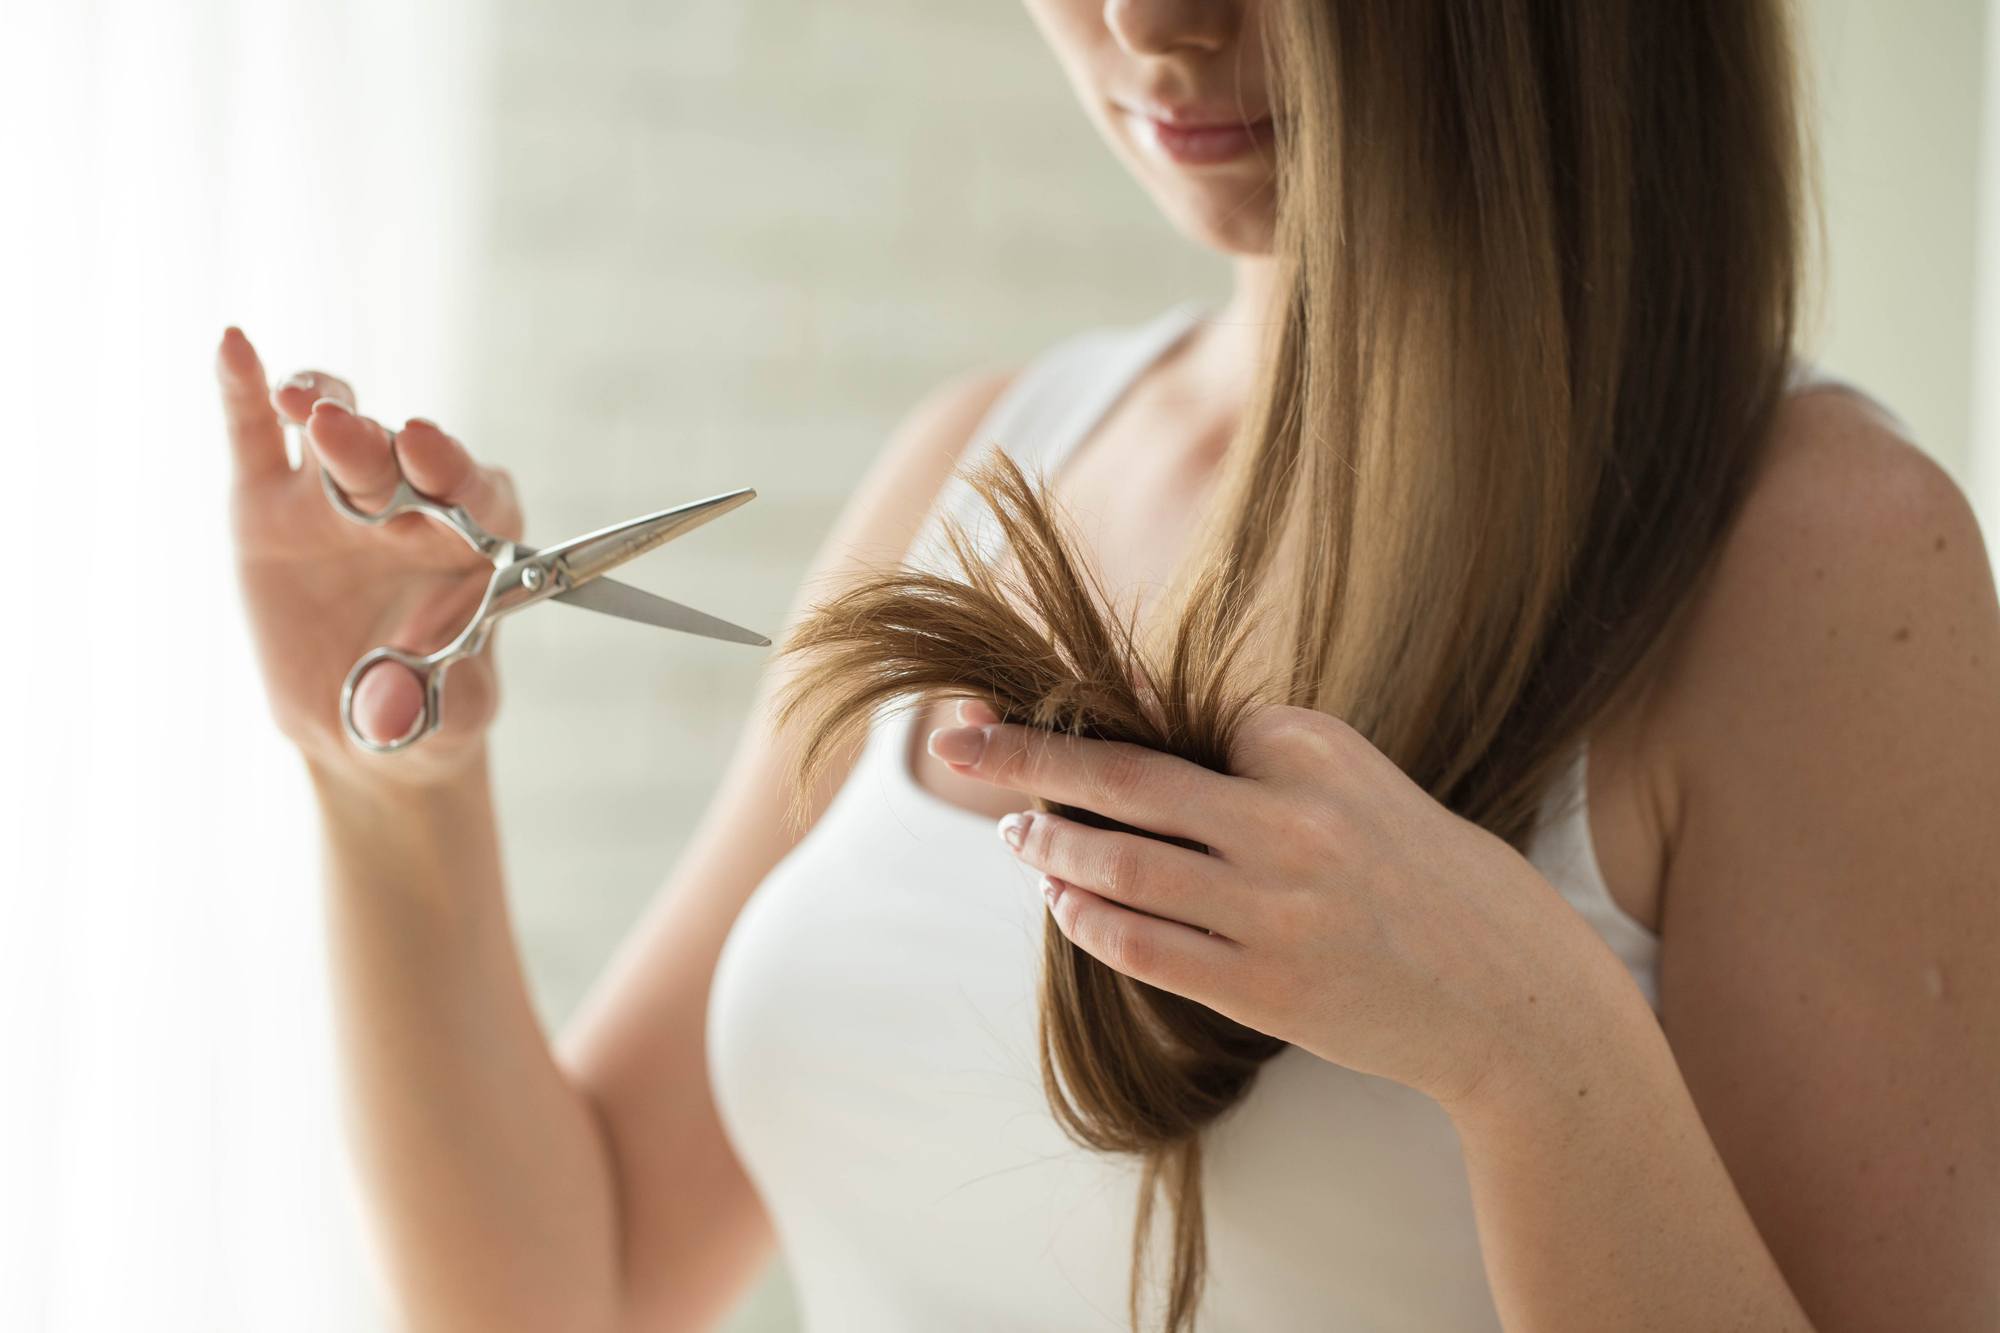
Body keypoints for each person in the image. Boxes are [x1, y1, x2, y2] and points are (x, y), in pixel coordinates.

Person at [214, 2, 1999, 1330]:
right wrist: (390, 788)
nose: (1152, 24)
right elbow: (568, 1287)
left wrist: (1535, 1047)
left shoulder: (1817, 559)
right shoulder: (989, 458)